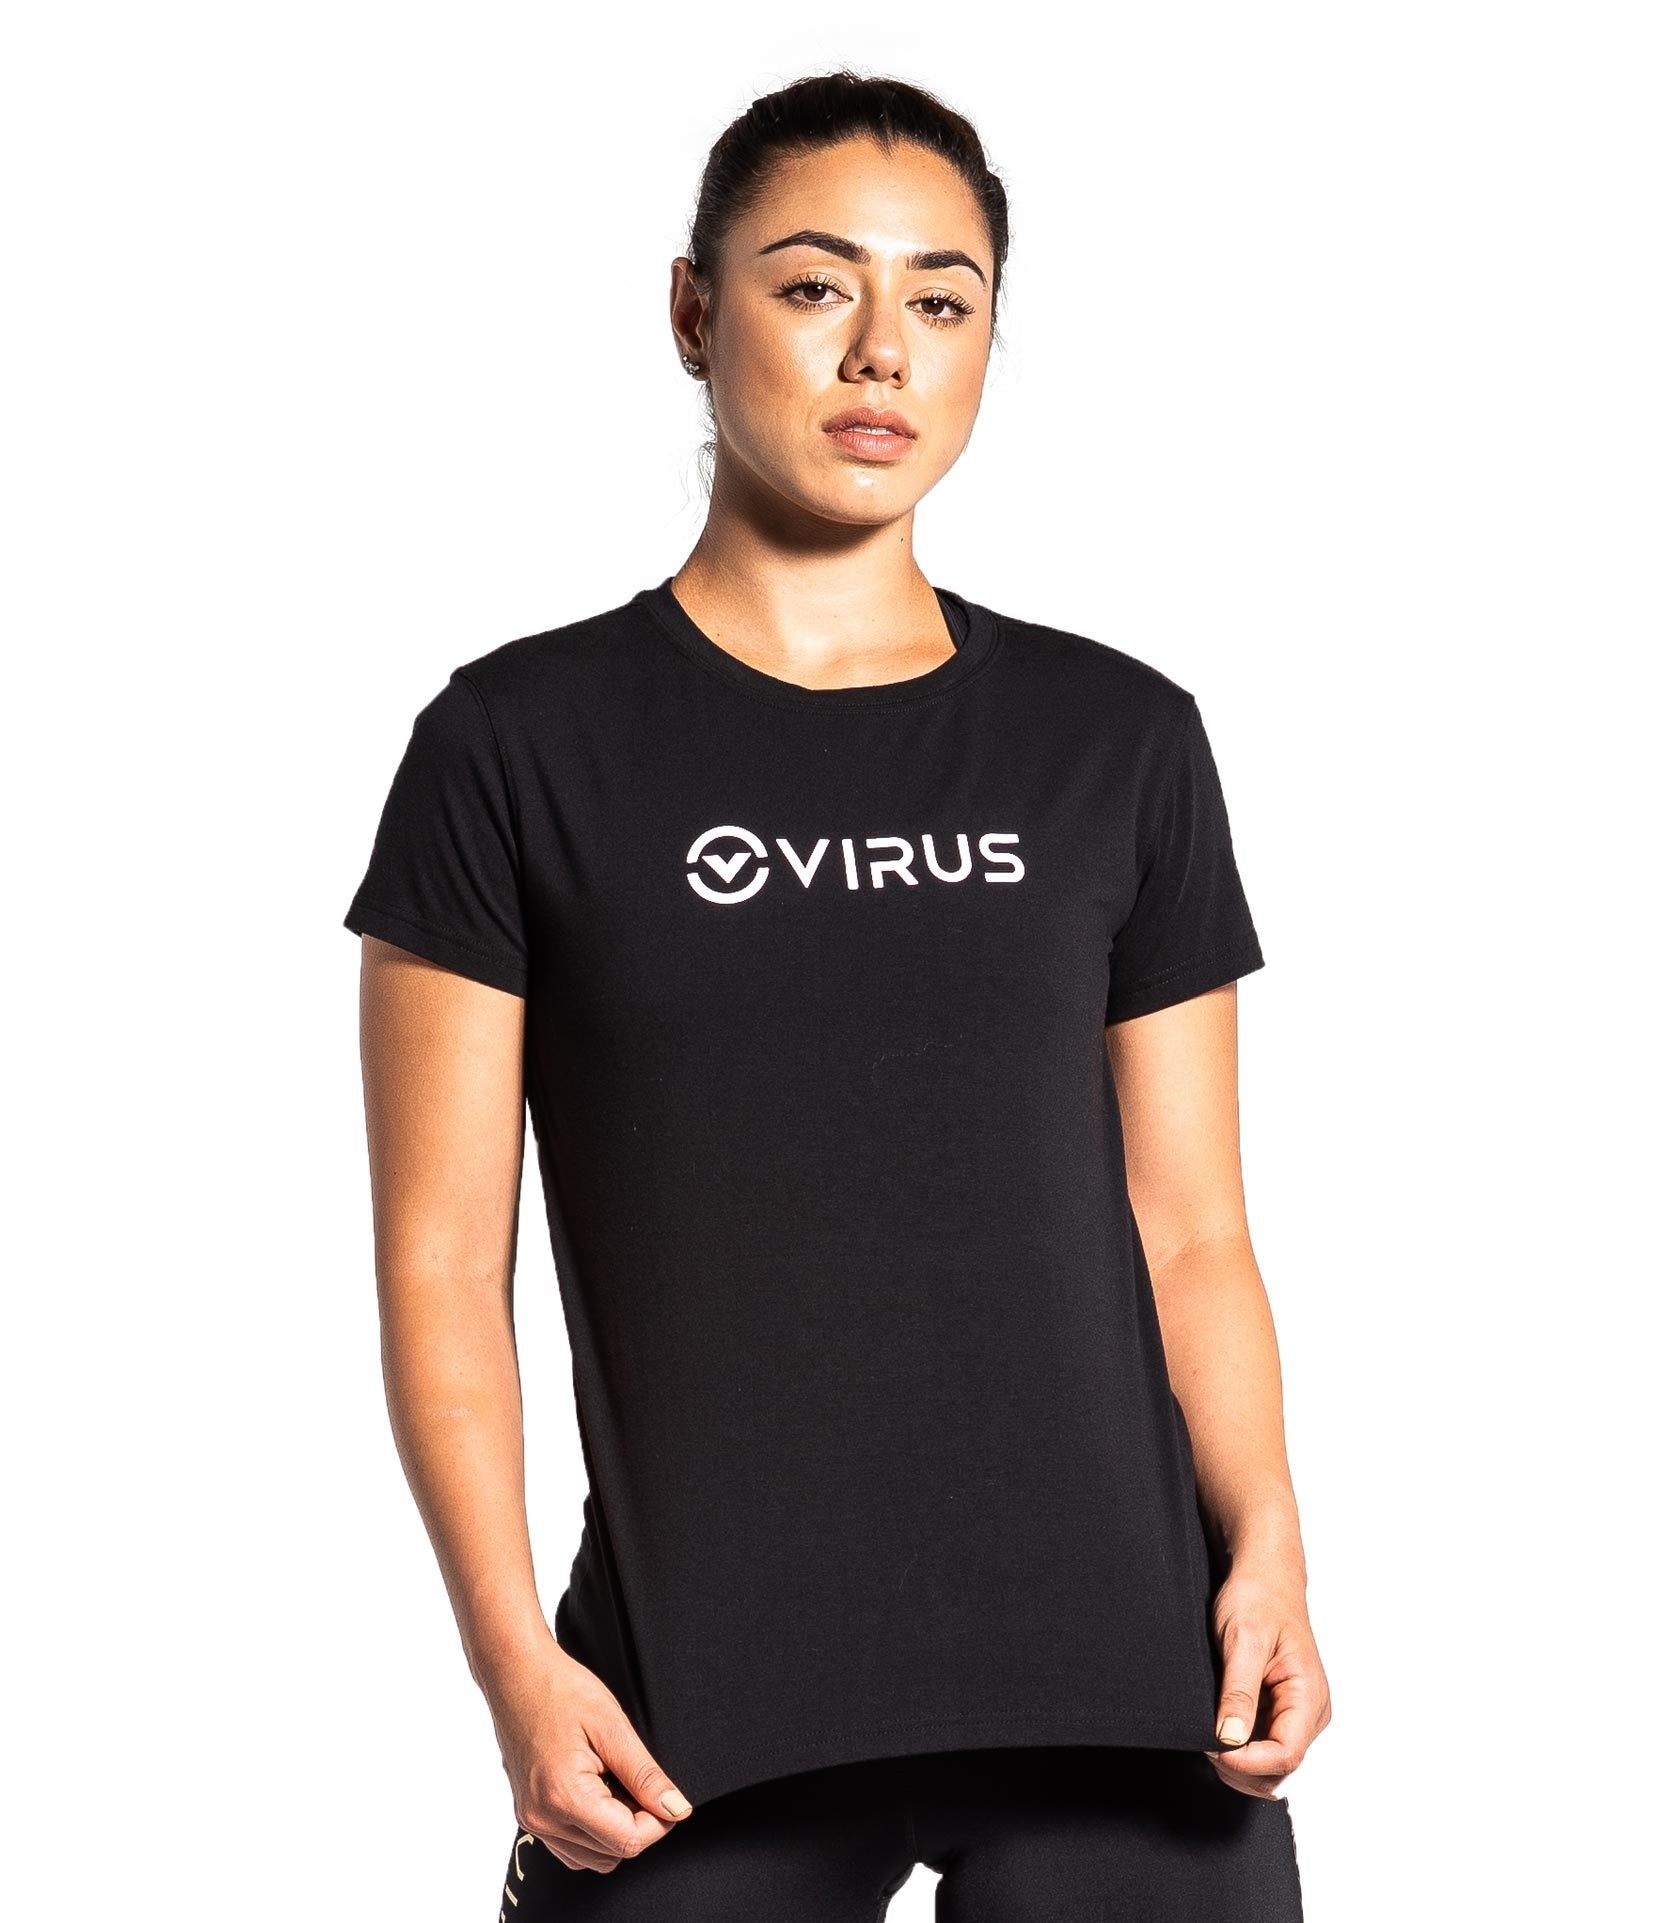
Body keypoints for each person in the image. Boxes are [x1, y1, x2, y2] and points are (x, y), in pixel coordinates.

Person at [344, 69, 1330, 1922]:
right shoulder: (517, 745)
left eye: (942, 301)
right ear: (692, 311)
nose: (882, 349)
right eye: (814, 286)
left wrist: (1267, 1548)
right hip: (688, 1710)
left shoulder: (1115, 738)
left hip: (1124, 1680)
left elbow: (1191, 1226)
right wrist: (513, 1669)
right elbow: (440, 1264)